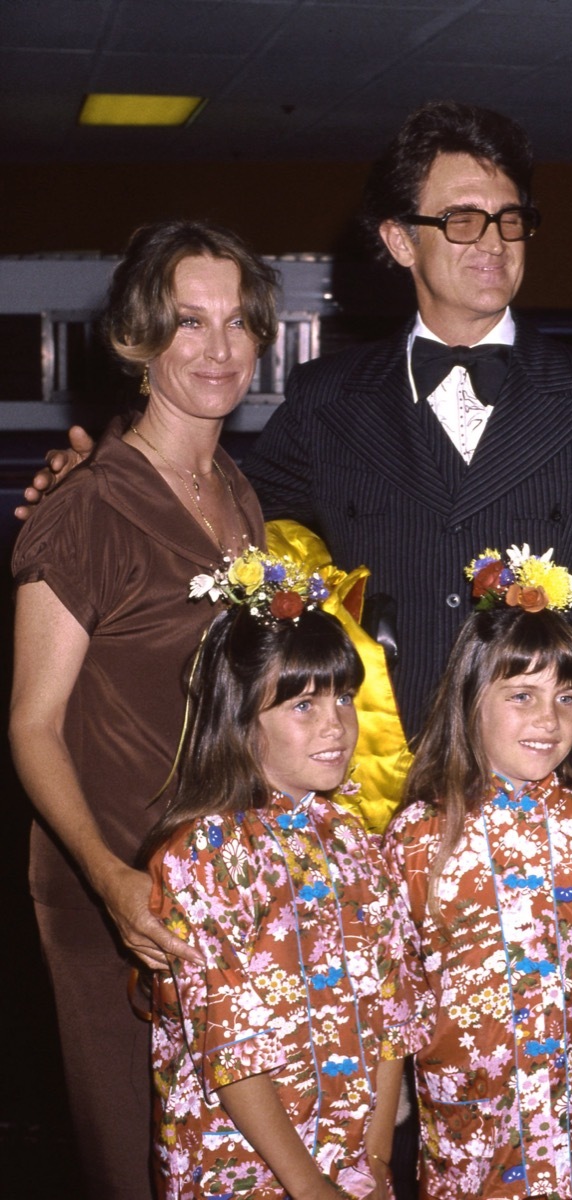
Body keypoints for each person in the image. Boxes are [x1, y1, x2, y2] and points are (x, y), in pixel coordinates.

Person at [19, 99, 572, 939]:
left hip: (550, 822)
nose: (493, 241)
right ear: (400, 240)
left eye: (510, 219)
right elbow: (208, 507)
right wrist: (89, 472)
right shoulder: (327, 400)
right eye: (463, 218)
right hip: (368, 828)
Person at [9, 218, 277, 1199]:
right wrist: (111, 879)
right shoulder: (87, 507)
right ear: (136, 339)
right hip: (120, 887)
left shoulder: (235, 492)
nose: (218, 349)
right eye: (188, 322)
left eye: (237, 322)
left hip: (222, 882)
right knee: (137, 1159)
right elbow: (31, 724)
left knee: (227, 1163)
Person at [141, 555, 430, 1200]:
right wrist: (308, 1186)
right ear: (242, 719)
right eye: (304, 705)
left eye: (344, 698)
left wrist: (375, 1161)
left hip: (352, 1160)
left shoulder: (352, 840)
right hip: (244, 1167)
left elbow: (391, 1009)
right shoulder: (206, 854)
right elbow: (228, 1047)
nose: (336, 725)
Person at [383, 546, 572, 1200]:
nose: (549, 720)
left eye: (566, 697)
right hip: (471, 1138)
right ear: (471, 699)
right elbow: (391, 1003)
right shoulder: (419, 839)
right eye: (523, 695)